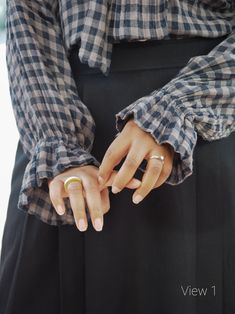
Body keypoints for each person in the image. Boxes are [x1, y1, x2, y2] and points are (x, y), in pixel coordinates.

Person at [0, 0, 235, 313]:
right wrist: (57, 139)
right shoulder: (55, 141)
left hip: (201, 118)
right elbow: (27, 12)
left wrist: (177, 109)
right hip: (57, 115)